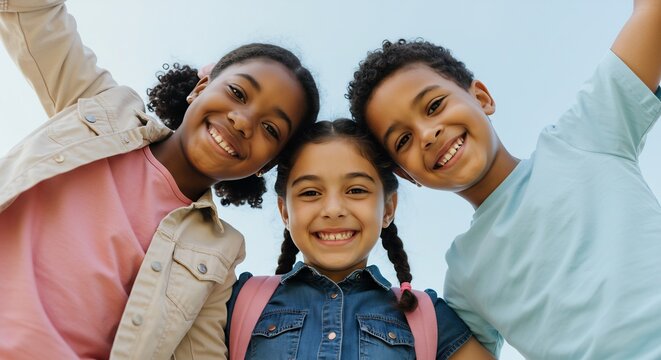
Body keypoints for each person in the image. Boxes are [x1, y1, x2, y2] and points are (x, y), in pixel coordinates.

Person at [0, 1, 319, 359]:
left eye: (270, 129)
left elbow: (202, 353)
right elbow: (32, 16)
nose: (244, 121)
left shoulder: (220, 252)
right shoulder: (106, 107)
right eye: (238, 93)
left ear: (267, 165)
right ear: (200, 88)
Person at [346, 1, 661, 358]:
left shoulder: (585, 136)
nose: (428, 134)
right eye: (403, 140)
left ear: (482, 97)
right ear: (406, 175)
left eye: (434, 106)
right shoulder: (465, 274)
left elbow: (651, 14)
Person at [225, 119, 494, 359]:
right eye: (310, 193)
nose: (333, 210)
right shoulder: (235, 301)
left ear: (388, 208)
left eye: (355, 190)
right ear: (285, 211)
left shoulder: (429, 317)